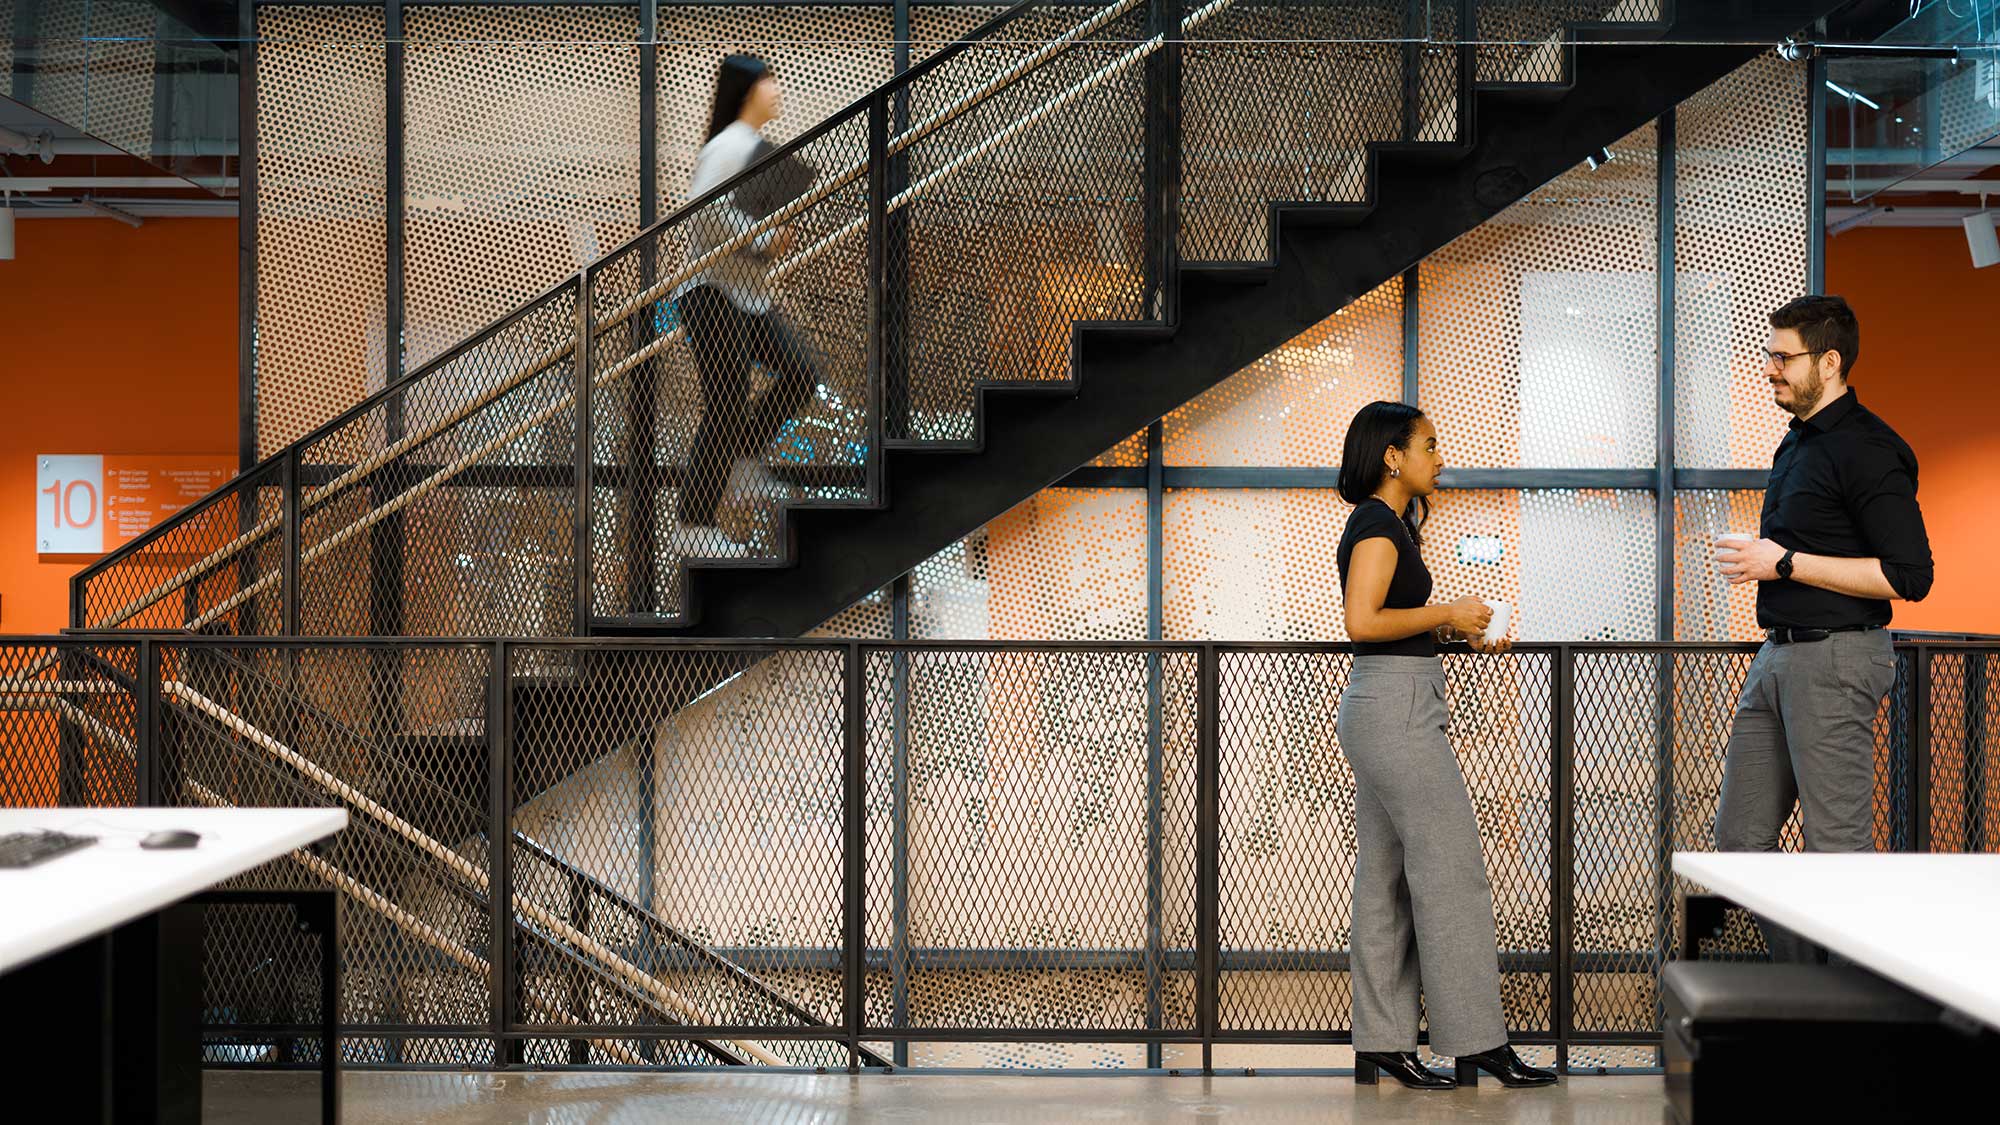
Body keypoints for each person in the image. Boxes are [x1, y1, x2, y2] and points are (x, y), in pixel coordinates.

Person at [1334, 401, 1557, 1091]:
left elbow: (1390, 623)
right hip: (1397, 709)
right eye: (1429, 445)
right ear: (1392, 456)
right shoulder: (1378, 524)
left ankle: (1382, 1043)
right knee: (1455, 875)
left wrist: (1457, 632)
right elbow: (1361, 620)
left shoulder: (1388, 523)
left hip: (1386, 703)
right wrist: (1449, 611)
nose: (1439, 457)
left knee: (1385, 881)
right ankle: (1478, 1042)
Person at [1712, 295, 1933, 962]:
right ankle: (1808, 987)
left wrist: (1782, 562)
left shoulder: (1869, 448)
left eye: (1784, 357)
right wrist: (1772, 561)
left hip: (1836, 659)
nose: (1770, 368)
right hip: (1777, 657)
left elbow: (1909, 575)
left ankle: (1855, 1006)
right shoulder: (1798, 440)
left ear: (1829, 361)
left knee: (1837, 852)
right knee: (1739, 844)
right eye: (1769, 354)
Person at [672, 54, 822, 557]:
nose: (777, 90)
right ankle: (693, 527)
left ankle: (742, 462)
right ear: (746, 91)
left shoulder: (755, 148)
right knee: (726, 403)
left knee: (801, 371)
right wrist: (760, 239)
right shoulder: (729, 145)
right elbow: (704, 210)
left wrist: (772, 235)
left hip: (750, 298)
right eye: (767, 81)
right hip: (710, 293)